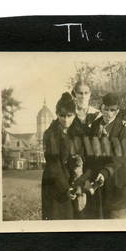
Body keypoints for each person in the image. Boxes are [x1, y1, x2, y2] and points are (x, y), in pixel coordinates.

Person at [90, 92, 126, 219]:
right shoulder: (94, 125)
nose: (109, 113)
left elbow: (119, 157)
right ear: (101, 108)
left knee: (118, 224)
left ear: (117, 110)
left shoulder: (123, 128)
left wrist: (105, 172)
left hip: (117, 185)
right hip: (99, 188)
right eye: (106, 109)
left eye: (112, 110)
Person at [41, 92, 80, 220]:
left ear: (74, 115)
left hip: (72, 183)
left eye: (69, 116)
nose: (66, 120)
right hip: (55, 184)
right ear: (57, 114)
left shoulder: (76, 131)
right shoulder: (50, 134)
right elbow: (53, 165)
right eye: (62, 116)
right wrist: (65, 188)